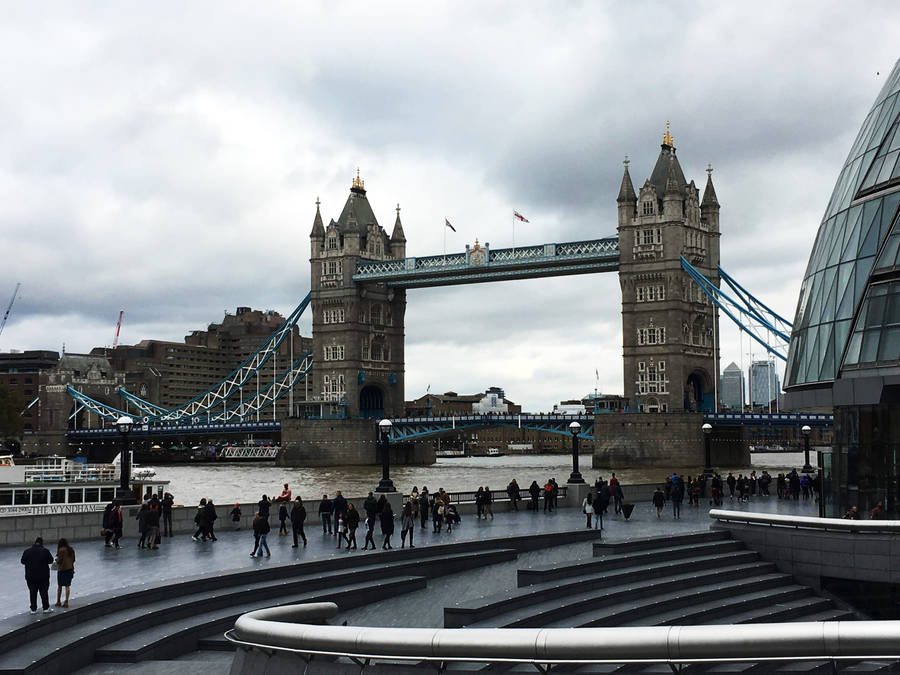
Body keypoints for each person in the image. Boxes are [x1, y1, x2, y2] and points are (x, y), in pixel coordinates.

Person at [21, 536, 54, 614]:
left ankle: (33, 609)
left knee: (32, 592)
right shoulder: (45, 551)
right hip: (43, 576)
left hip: (31, 576)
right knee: (44, 592)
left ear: (35, 542)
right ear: (42, 543)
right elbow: (50, 561)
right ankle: (45, 608)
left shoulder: (27, 551)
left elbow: (22, 561)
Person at [54, 538, 75, 608]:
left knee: (60, 586)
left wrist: (56, 560)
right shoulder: (71, 549)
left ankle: (58, 601)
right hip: (70, 569)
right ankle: (66, 601)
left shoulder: (61, 550)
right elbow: (73, 559)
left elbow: (59, 561)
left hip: (62, 570)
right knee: (67, 586)